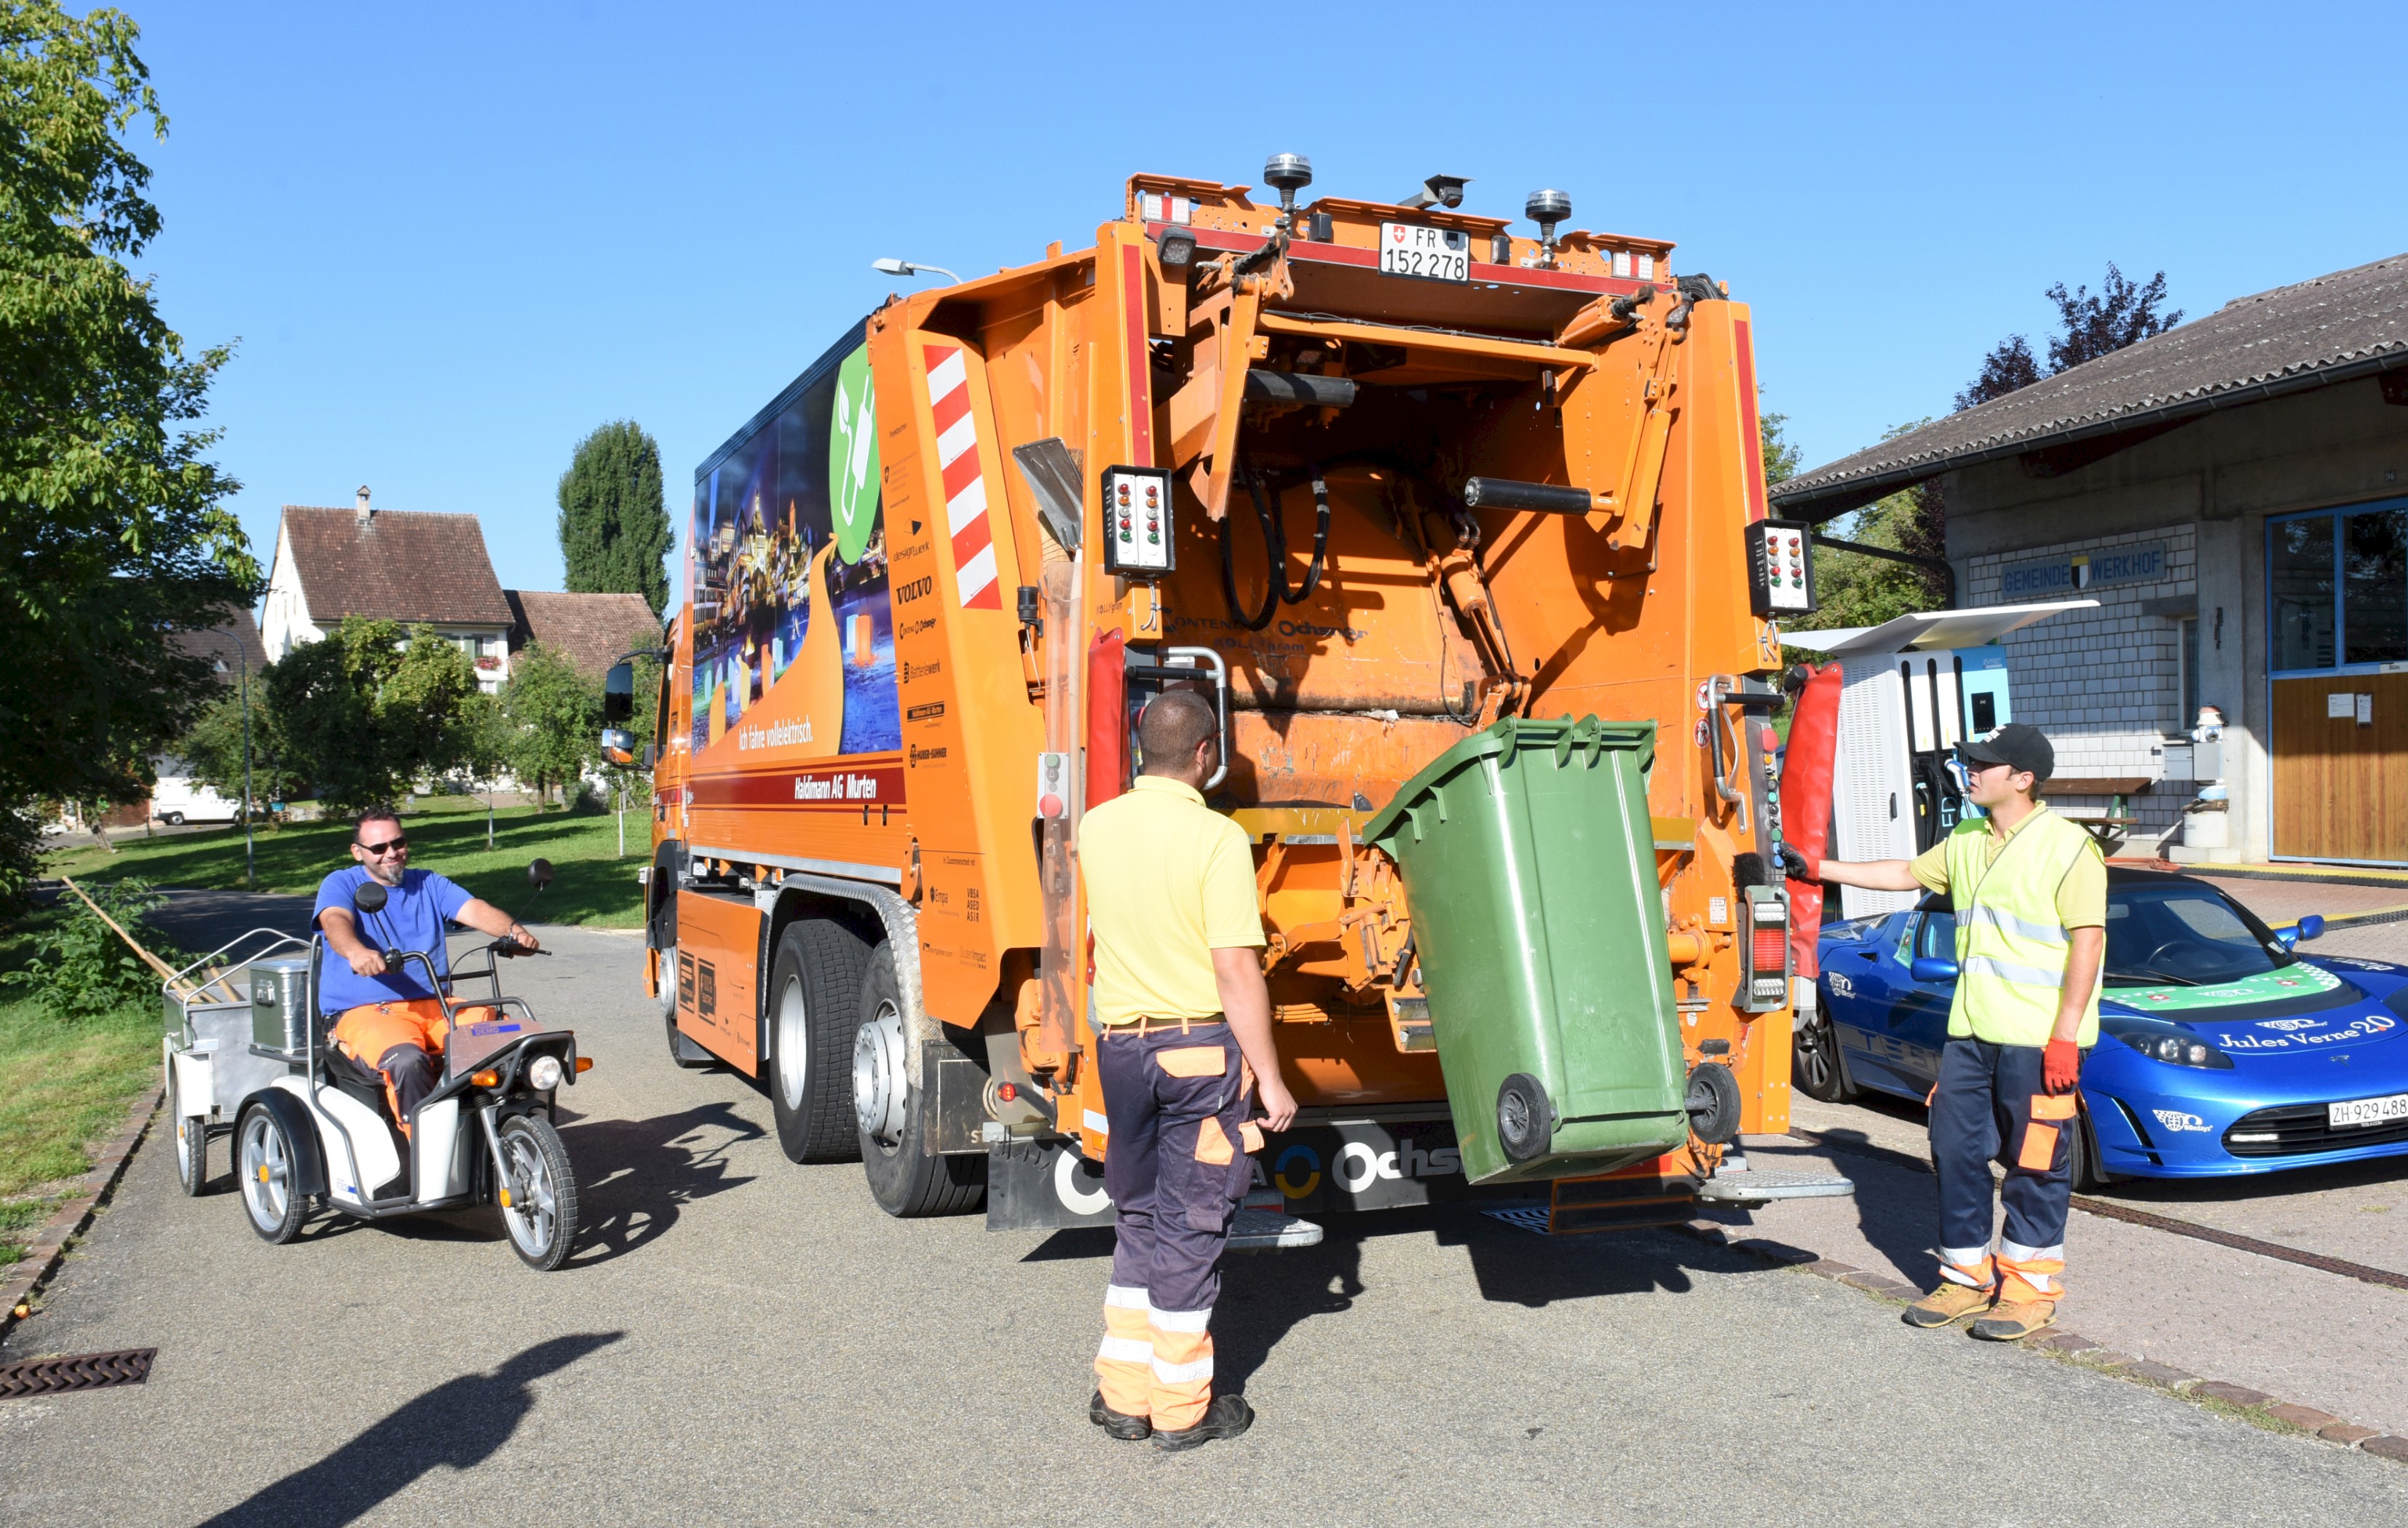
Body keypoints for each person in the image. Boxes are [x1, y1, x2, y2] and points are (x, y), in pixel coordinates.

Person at [1786, 723, 2104, 1341]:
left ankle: (2028, 1290)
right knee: (1955, 1152)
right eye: (1969, 762)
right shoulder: (1965, 838)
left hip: (2038, 1040)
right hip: (1970, 1033)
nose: (1970, 771)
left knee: (2033, 1163)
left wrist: (2065, 1033)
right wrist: (1814, 867)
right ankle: (1964, 1277)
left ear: (2023, 778)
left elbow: (2087, 941)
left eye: (1984, 765)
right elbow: (1904, 874)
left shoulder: (2068, 847)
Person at [1075, 689, 1299, 1452]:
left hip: (1123, 1051)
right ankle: (1180, 1409)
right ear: (1205, 754)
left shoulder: (1096, 827)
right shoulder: (1216, 839)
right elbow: (1235, 968)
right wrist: (1270, 1076)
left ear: (1145, 749)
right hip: (1197, 1055)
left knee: (1137, 1215)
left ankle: (1121, 1395)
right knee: (1192, 1226)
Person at [315, 809, 539, 1133]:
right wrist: (357, 952)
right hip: (368, 1012)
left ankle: (510, 1133)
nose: (391, 853)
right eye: (379, 848)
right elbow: (334, 920)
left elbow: (472, 908)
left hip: (436, 1007)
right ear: (358, 852)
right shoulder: (342, 882)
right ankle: (422, 1154)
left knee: (516, 1038)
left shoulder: (429, 883)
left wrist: (514, 932)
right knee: (406, 1060)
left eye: (398, 842)